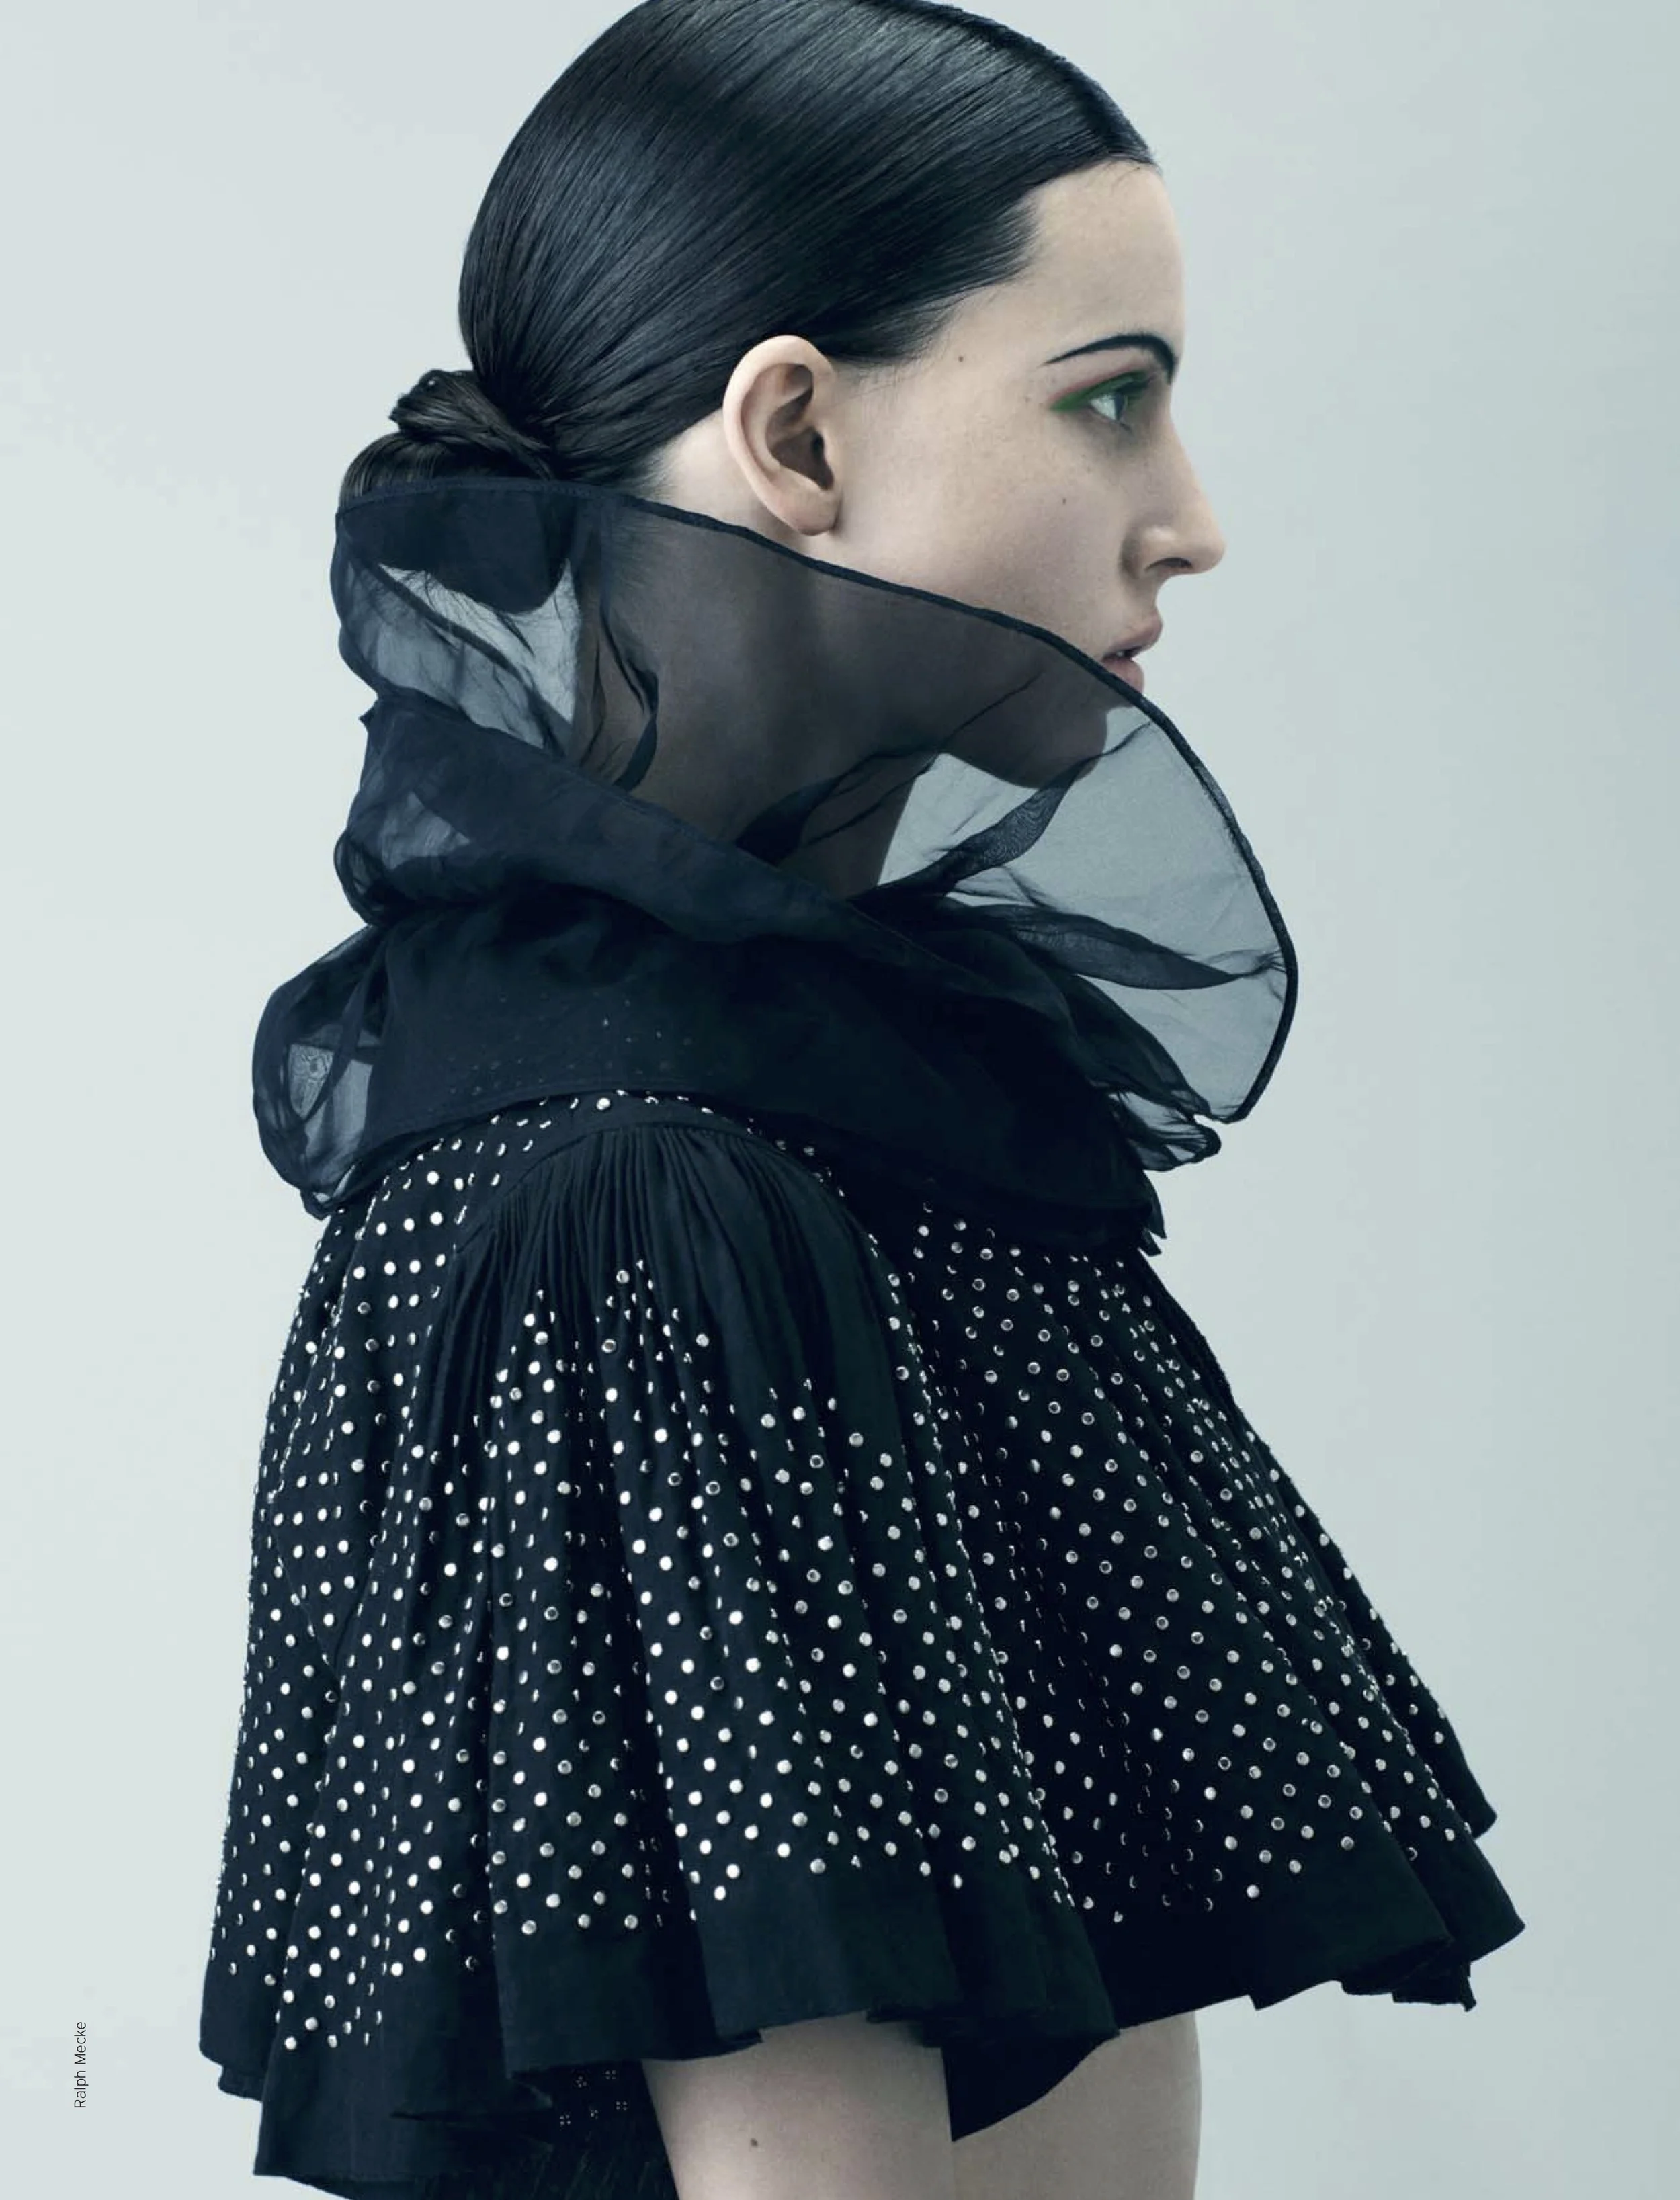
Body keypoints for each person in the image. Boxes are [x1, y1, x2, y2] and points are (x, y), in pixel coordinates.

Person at [197, 4, 1525, 2196]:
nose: (1189, 523)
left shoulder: (869, 1128)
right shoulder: (642, 1207)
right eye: (1106, 399)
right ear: (795, 434)